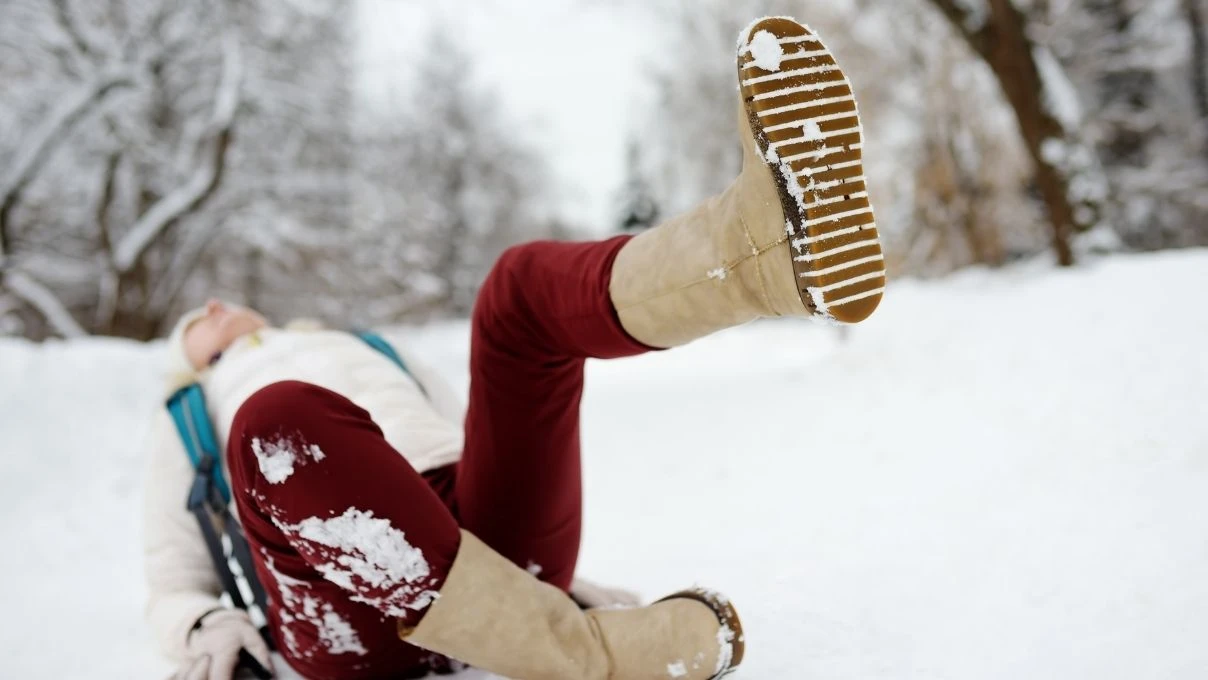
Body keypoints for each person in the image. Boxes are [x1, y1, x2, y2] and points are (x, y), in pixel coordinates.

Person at [143, 16, 883, 680]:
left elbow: (486, 433)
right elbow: (171, 573)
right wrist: (207, 628)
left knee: (515, 291)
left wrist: (514, 571)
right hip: (346, 604)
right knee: (276, 423)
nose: (213, 308)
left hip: (474, 540)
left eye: (220, 304)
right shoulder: (190, 412)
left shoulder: (365, 345)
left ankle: (758, 250)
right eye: (196, 323)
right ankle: (581, 652)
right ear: (194, 356)